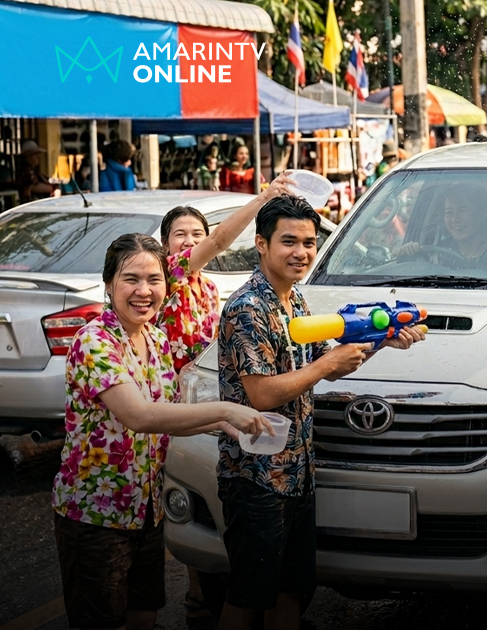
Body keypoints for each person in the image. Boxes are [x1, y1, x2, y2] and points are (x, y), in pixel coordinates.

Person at [216, 196, 426, 630]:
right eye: (289, 241)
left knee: (291, 592)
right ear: (261, 243)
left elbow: (326, 365)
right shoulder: (247, 309)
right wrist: (327, 364)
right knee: (248, 595)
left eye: (310, 243)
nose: (302, 252)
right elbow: (261, 394)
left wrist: (382, 340)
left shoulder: (294, 302)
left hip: (297, 471)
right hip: (256, 477)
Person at [53, 234, 271, 630]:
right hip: (96, 513)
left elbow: (169, 412)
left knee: (143, 615)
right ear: (108, 285)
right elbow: (139, 416)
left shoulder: (155, 338)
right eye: (130, 279)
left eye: (154, 279)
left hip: (147, 508)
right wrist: (224, 409)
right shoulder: (95, 341)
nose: (143, 291)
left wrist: (224, 424)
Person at [156, 172, 296, 615]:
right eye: (181, 235)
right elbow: (219, 242)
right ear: (165, 246)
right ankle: (199, 591)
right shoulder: (169, 277)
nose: (191, 241)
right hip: (169, 409)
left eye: (196, 232)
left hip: (208, 403)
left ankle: (209, 587)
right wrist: (265, 198)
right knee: (179, 493)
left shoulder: (207, 287)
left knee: (205, 492)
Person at [394, 185, 487, 269]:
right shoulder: (435, 253)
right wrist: (407, 252)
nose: (455, 219)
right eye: (449, 212)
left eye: (462, 210)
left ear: (481, 213)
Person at [16, 139, 54, 204]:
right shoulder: (26, 171)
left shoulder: (34, 170)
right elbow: (34, 188)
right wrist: (52, 188)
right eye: (34, 154)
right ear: (27, 157)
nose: (38, 157)